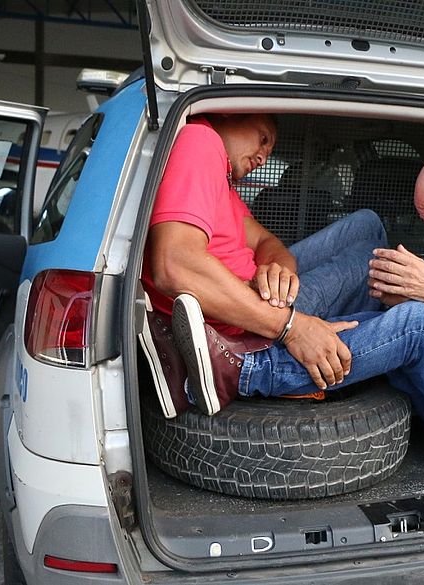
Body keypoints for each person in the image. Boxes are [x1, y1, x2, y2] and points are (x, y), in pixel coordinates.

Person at [148, 127, 424, 471]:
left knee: (415, 322)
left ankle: (244, 370)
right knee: (398, 298)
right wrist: (395, 295)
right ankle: (271, 343)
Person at [142, 113, 386, 416]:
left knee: (366, 224)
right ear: (230, 113)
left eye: (269, 152)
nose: (263, 156)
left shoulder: (224, 179)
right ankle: (323, 360)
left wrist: (276, 267)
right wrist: (293, 328)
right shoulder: (201, 141)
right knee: (373, 259)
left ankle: (329, 347)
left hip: (263, 295)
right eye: (263, 139)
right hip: (248, 319)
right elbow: (174, 264)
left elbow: (264, 241)